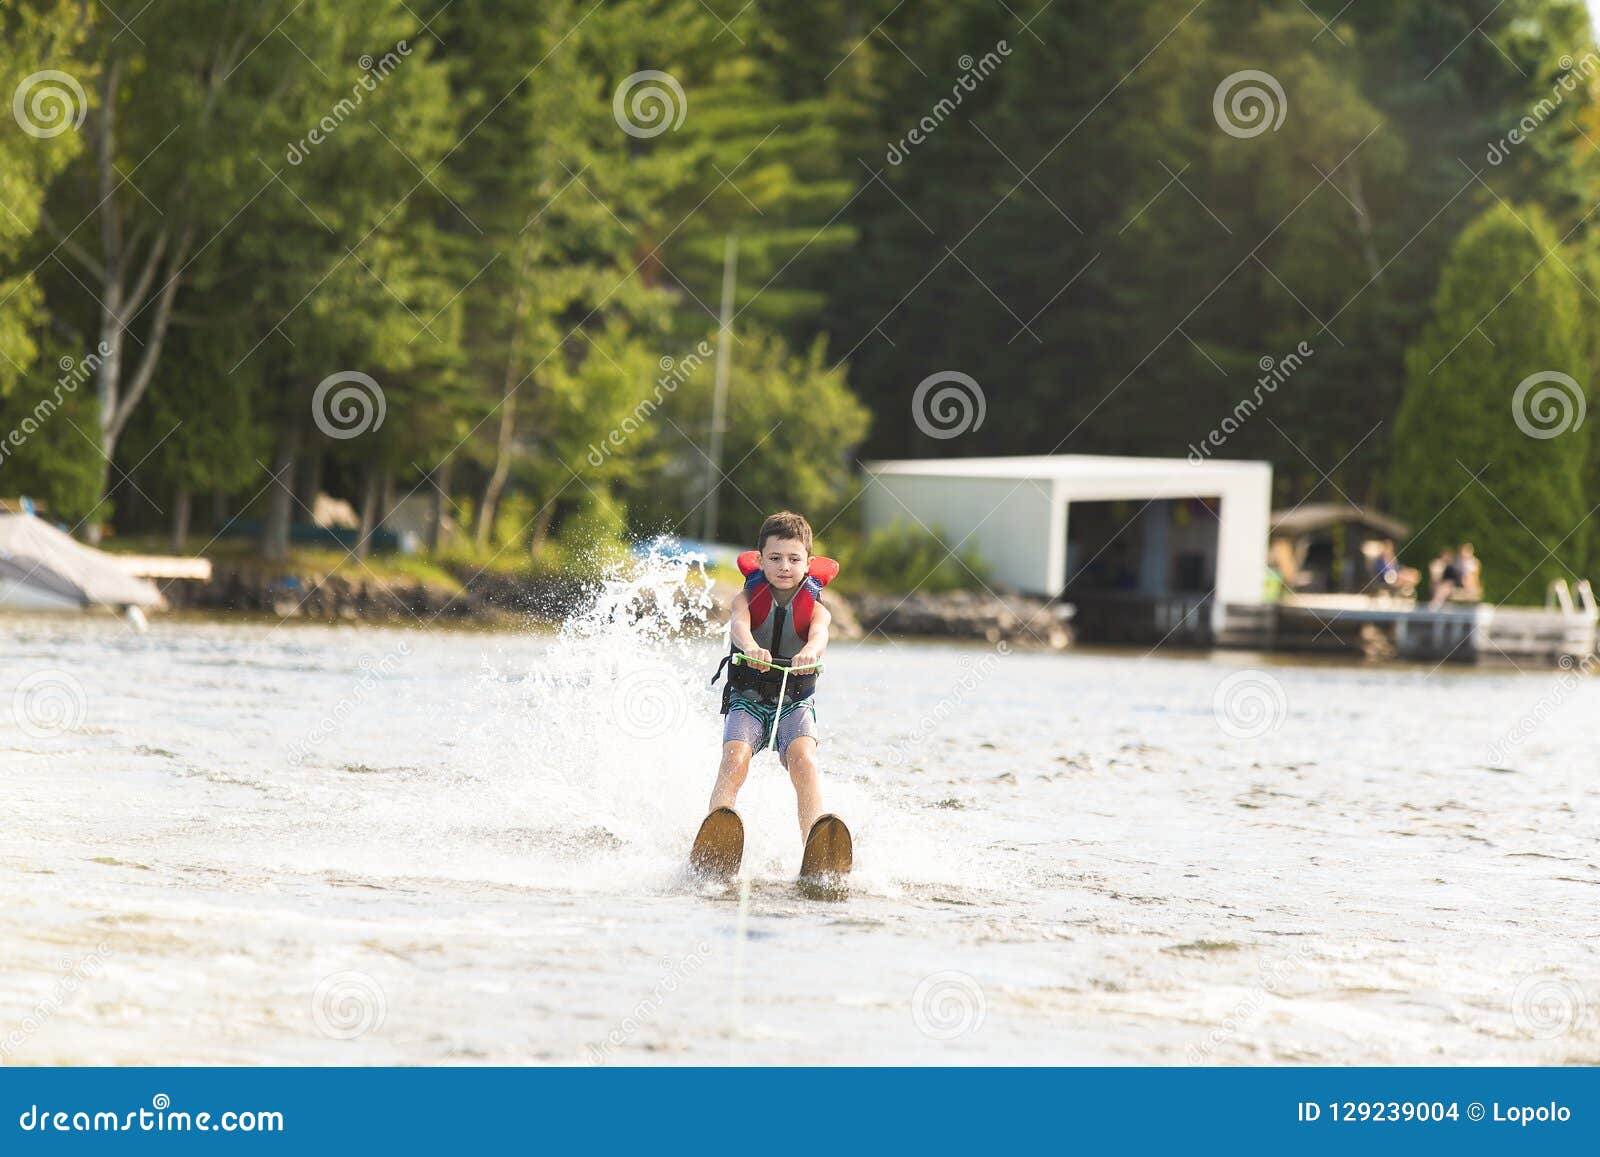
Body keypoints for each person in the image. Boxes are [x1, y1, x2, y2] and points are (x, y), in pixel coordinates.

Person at [705, 511, 837, 842]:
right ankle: (715, 830)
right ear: (761, 560)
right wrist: (749, 647)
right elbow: (739, 626)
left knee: (803, 762)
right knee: (734, 758)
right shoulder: (745, 598)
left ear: (808, 564)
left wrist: (810, 652)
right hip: (748, 701)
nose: (784, 566)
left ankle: (814, 842)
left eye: (794, 559)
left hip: (794, 703)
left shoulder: (818, 609)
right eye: (775, 558)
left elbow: (819, 635)